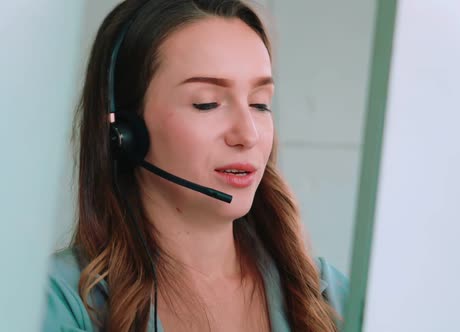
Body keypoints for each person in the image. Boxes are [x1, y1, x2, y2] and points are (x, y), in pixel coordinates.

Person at [41, 0, 348, 331]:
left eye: (260, 104)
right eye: (207, 103)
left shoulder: (330, 295)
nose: (248, 134)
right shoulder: (55, 301)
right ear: (125, 133)